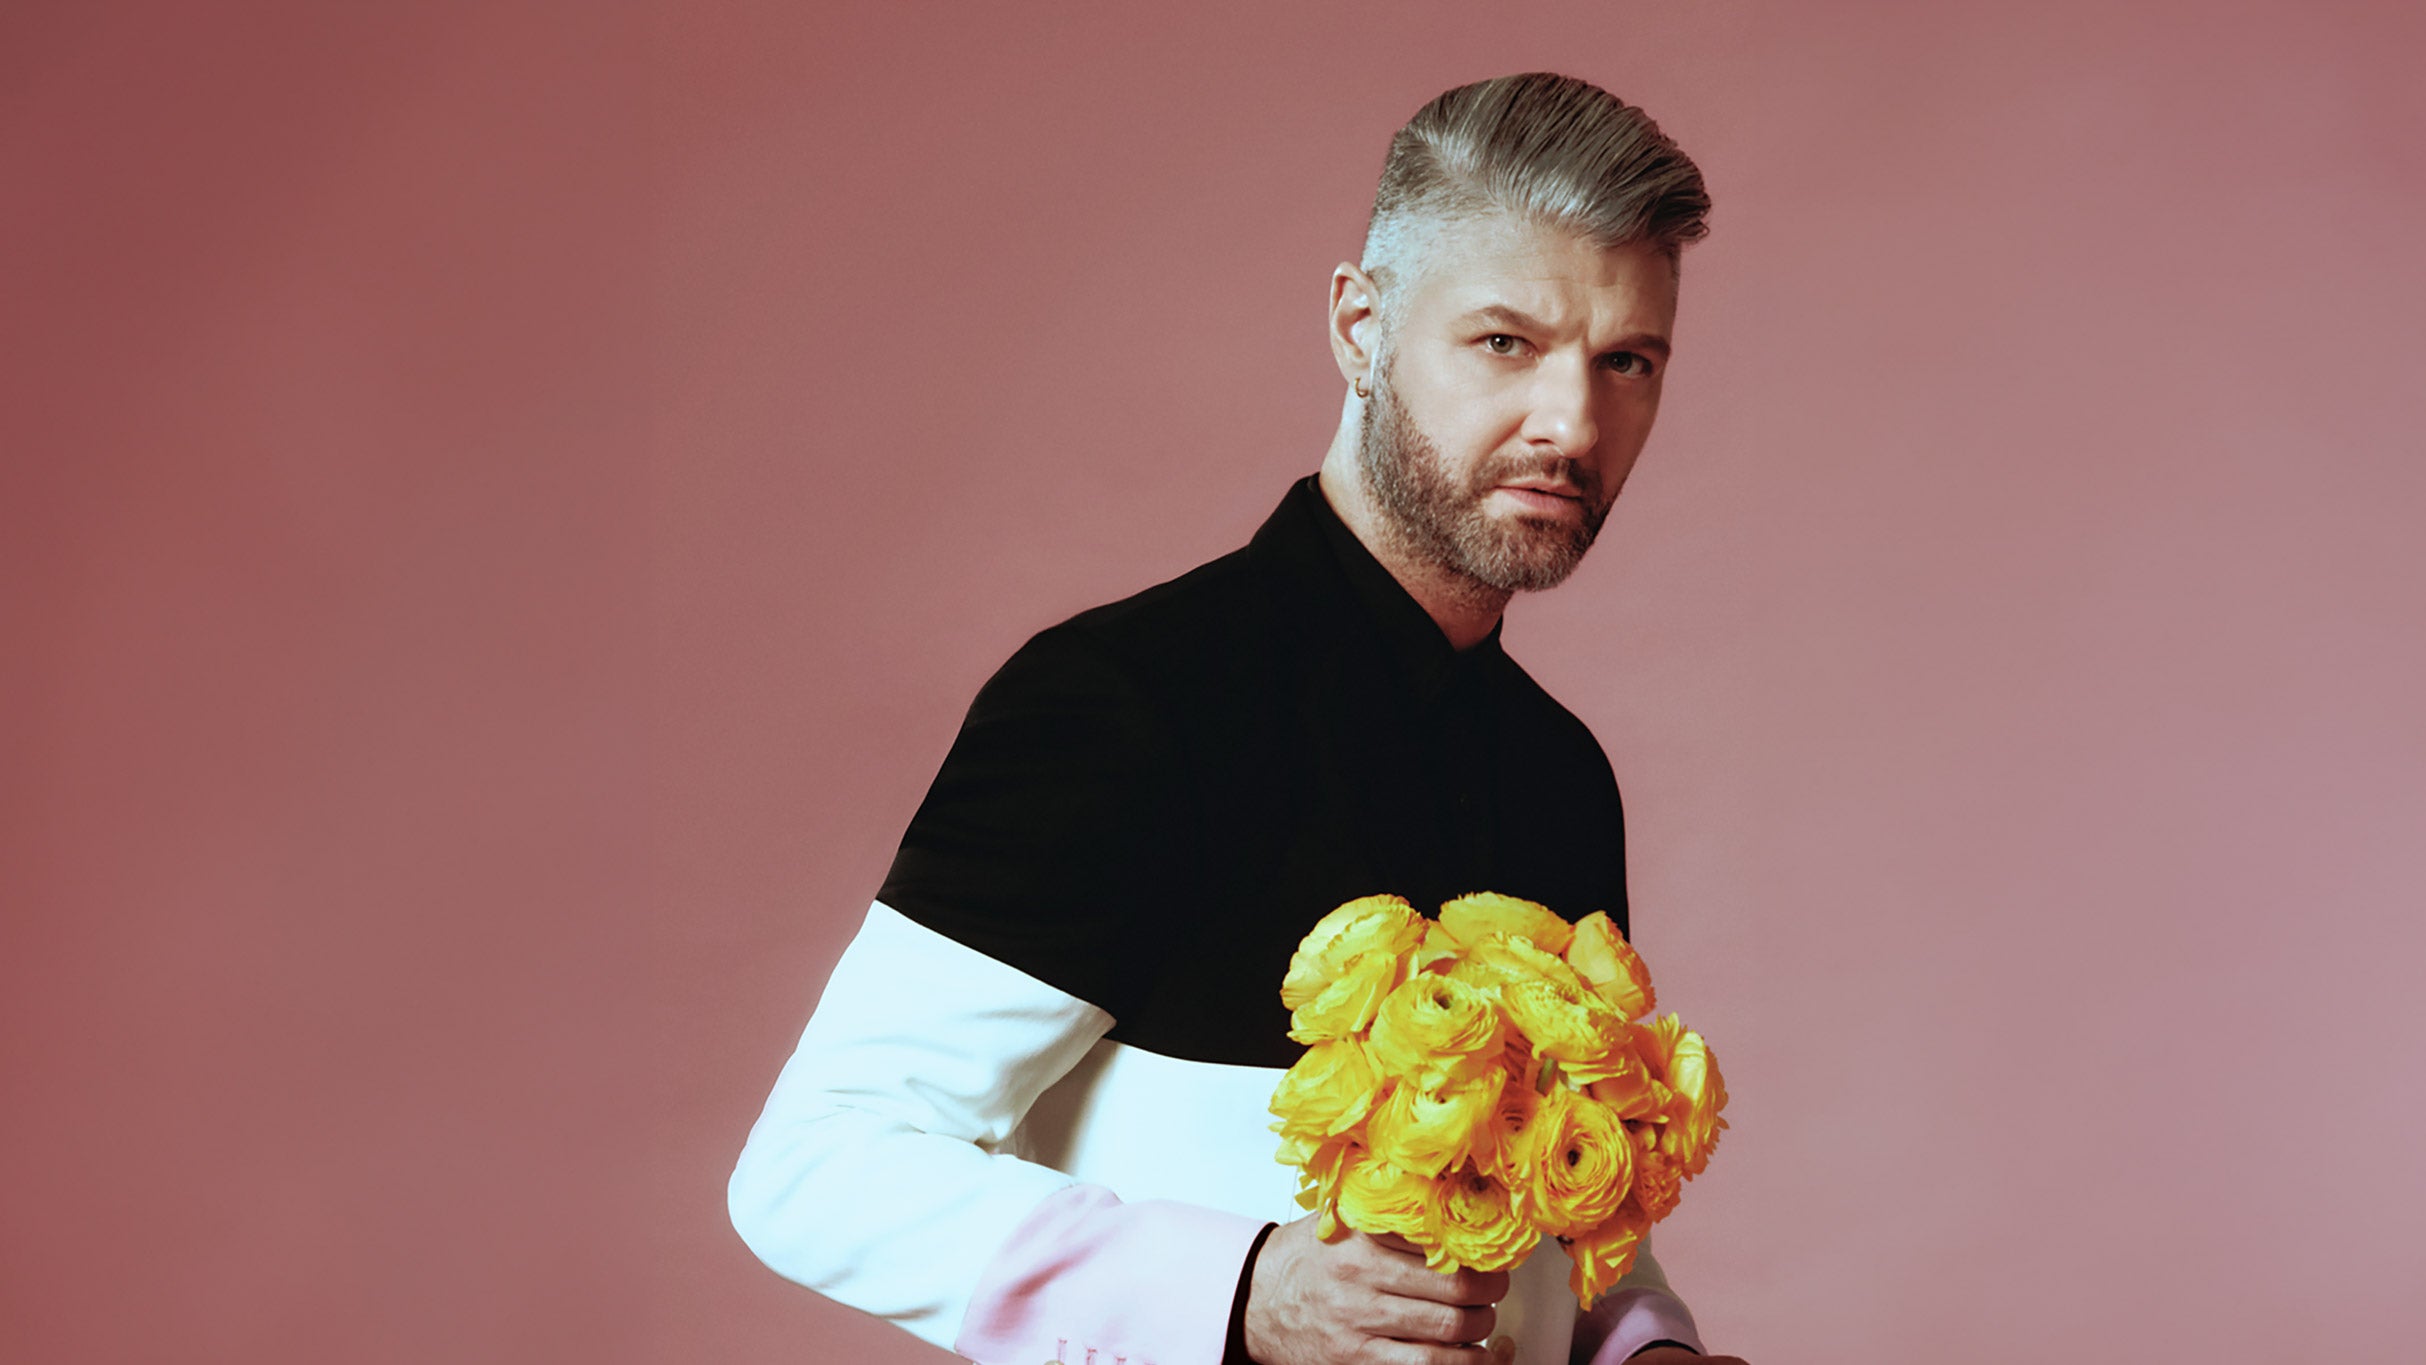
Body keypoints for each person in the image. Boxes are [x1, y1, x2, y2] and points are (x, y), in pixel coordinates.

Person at [730, 72, 1751, 1365]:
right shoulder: (1122, 702)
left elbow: (1560, 1223)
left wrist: (1643, 1345)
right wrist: (1248, 1290)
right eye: (1506, 343)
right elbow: (816, 1162)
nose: (1572, 420)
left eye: (1626, 361)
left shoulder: (1561, 774)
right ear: (1360, 328)